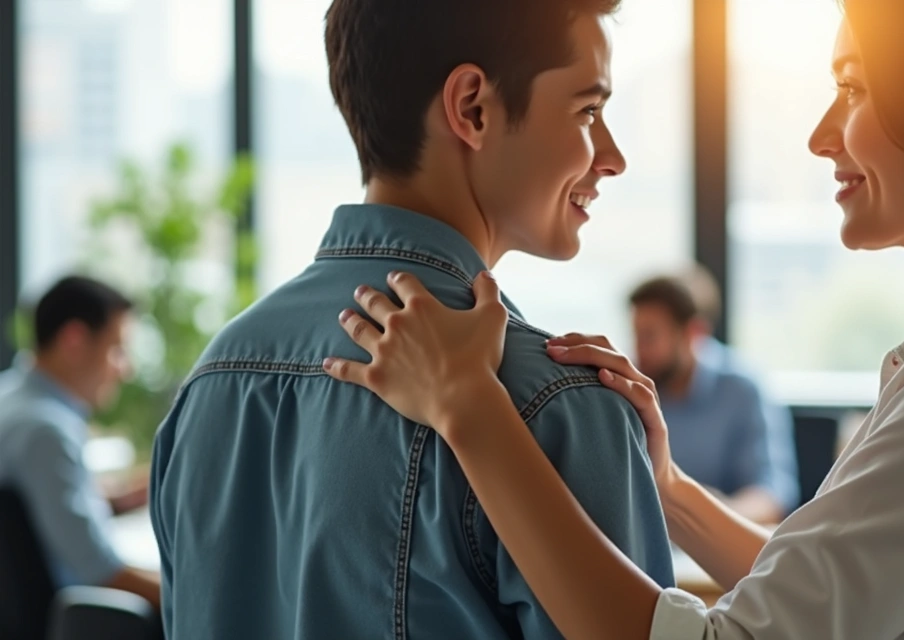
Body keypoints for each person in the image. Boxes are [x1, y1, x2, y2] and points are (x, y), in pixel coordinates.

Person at [323, 0, 904, 637]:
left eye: (855, 89)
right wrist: (669, 489)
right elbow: (838, 600)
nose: (823, 134)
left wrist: (470, 410)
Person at [149, 1, 674, 638]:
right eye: (587, 111)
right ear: (472, 109)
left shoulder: (212, 380)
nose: (612, 157)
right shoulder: (562, 405)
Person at [0, 276, 160, 608]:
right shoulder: (46, 432)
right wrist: (202, 598)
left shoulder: (11, 401)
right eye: (117, 350)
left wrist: (125, 496)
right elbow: (102, 571)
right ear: (73, 340)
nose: (125, 370)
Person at [629, 269, 797, 523]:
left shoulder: (742, 390)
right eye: (636, 335)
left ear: (694, 333)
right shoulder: (633, 390)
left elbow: (772, 498)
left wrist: (700, 513)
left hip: (711, 537)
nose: (637, 351)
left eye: (649, 336)